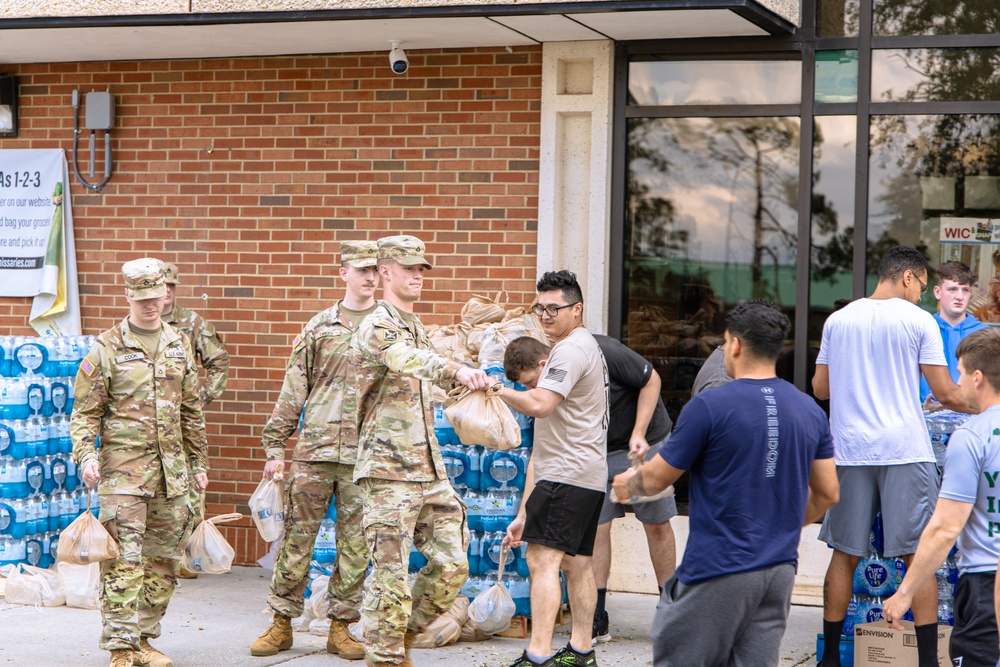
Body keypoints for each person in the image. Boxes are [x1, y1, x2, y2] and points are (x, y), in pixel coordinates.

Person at [612, 299, 839, 667]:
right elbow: (829, 492)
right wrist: (779, 526)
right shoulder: (809, 409)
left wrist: (626, 484)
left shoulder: (710, 406)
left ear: (733, 344)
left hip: (719, 567)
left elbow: (656, 477)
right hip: (778, 570)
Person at [812, 245, 974, 667]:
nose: (921, 295)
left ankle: (829, 659)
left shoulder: (838, 319)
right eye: (922, 285)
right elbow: (944, 393)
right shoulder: (919, 321)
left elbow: (821, 388)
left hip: (848, 450)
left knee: (843, 555)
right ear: (908, 277)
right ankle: (926, 663)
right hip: (904, 450)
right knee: (916, 556)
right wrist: (984, 405)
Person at [352, 235, 491, 667]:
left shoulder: (417, 328)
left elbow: (432, 378)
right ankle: (386, 655)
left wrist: (484, 388)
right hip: (387, 468)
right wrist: (456, 368)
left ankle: (402, 635)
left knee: (453, 565)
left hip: (427, 468)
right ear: (385, 272)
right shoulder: (378, 325)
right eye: (409, 268)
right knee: (390, 573)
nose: (417, 276)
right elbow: (402, 358)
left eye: (421, 269)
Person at [71, 258, 209, 667]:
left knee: (163, 562)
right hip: (123, 474)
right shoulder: (107, 347)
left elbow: (191, 410)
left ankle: (145, 639)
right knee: (123, 563)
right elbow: (85, 414)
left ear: (166, 293)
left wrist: (199, 462)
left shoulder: (177, 343)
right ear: (128, 295)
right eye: (143, 298)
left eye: (158, 296)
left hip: (174, 475)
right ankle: (120, 648)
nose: (152, 305)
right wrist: (86, 456)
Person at [249, 240, 380, 661]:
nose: (370, 277)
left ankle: (341, 627)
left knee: (357, 546)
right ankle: (281, 623)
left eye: (376, 270)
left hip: (365, 456)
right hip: (314, 452)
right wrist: (275, 445)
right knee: (296, 542)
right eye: (362, 270)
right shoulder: (318, 327)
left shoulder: (389, 326)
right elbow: (294, 388)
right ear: (343, 273)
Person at [502, 334, 676, 646]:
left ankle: (671, 608)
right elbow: (539, 455)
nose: (531, 390)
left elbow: (651, 379)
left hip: (638, 447)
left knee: (656, 524)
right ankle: (597, 617)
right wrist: (523, 513)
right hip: (595, 455)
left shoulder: (598, 350)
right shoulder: (549, 392)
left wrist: (639, 432)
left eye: (530, 382)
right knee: (597, 530)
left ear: (543, 364)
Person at [497, 269, 609, 667]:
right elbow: (545, 444)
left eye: (553, 308)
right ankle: (581, 653)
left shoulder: (570, 350)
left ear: (576, 309)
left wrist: (495, 389)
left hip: (567, 476)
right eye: (539, 308)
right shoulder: (579, 346)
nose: (544, 315)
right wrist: (525, 511)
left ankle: (538, 656)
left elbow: (541, 405)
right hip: (582, 474)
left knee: (542, 562)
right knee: (579, 566)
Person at [883, 328, 1000, 667]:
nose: (957, 382)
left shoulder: (971, 436)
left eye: (960, 372)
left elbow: (945, 528)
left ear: (977, 377)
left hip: (985, 584)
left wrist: (904, 593)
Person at [161, 263, 230, 580]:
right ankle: (159, 555)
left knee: (191, 486)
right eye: (162, 285)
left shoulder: (191, 322)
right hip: (146, 422)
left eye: (171, 286)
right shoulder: (133, 326)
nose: (166, 292)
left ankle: (186, 556)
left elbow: (218, 361)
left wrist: (201, 400)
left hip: (182, 422)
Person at [919, 260, 988, 404]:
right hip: (923, 415)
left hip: (971, 417)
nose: (960, 297)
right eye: (952, 289)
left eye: (965, 290)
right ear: (938, 292)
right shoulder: (921, 328)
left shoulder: (984, 335)